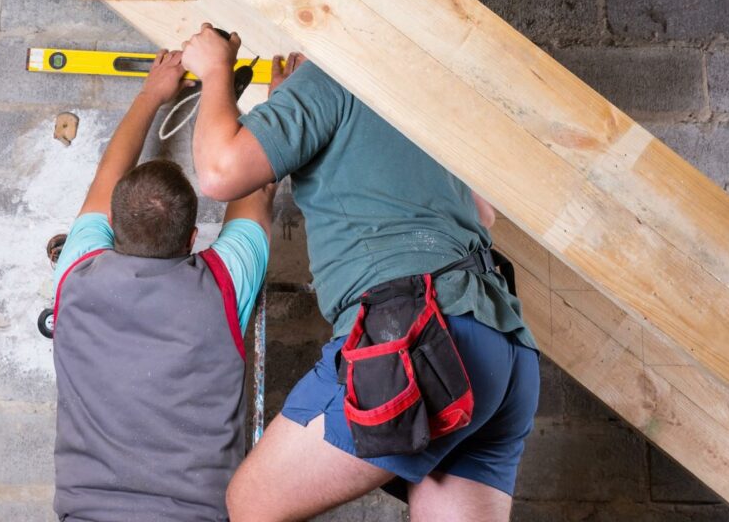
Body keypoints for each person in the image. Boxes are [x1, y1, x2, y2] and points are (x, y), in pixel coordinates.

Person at [181, 25, 539, 522]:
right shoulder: (419, 93)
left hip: (417, 336)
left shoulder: (333, 73)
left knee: (253, 503)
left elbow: (220, 172)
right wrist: (292, 109)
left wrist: (216, 69)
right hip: (500, 343)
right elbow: (483, 213)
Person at [49, 48, 275, 522]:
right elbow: (255, 179)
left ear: (112, 225)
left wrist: (152, 92)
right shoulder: (221, 285)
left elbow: (107, 175)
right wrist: (273, 98)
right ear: (193, 239)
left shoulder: (78, 272)